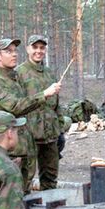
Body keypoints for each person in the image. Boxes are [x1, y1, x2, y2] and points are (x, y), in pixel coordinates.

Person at [0, 38, 61, 194]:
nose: (14, 55)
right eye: (8, 51)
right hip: (9, 147)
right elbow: (15, 107)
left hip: (24, 144)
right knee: (12, 192)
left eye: (14, 51)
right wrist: (44, 94)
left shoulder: (13, 78)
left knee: (25, 189)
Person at [16, 35, 65, 190]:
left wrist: (60, 129)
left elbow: (56, 105)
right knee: (25, 178)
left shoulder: (49, 73)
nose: (38, 51)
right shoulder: (19, 73)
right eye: (35, 47)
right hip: (29, 135)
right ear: (28, 49)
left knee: (50, 177)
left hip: (50, 135)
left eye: (42, 48)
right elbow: (17, 105)